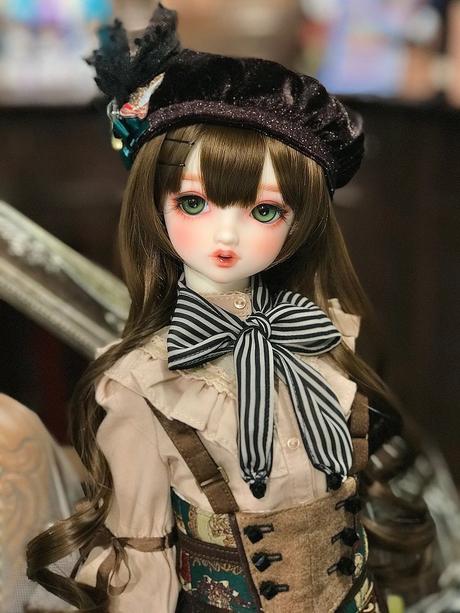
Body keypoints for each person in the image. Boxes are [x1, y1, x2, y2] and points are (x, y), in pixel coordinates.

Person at [26, 4, 432, 612]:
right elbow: (143, 553)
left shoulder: (318, 338)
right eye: (193, 203)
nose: (227, 236)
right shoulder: (144, 384)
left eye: (264, 211)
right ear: (154, 205)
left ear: (300, 222)